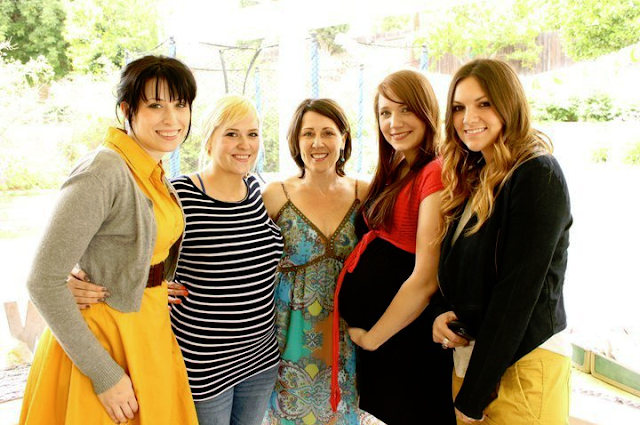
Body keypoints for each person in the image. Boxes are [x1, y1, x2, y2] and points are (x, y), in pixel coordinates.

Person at [68, 94, 284, 425]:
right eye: (231, 134)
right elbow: (115, 245)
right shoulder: (179, 194)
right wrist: (76, 276)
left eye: (252, 134)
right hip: (202, 364)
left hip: (260, 358)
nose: (245, 144)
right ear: (209, 139)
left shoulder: (260, 191)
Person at [20, 55, 199, 424]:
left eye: (180, 104)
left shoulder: (149, 168)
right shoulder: (103, 170)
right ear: (127, 110)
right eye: (155, 105)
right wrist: (105, 375)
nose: (172, 119)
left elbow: (127, 248)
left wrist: (146, 281)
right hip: (101, 346)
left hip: (146, 331)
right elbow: (42, 281)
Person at [432, 58, 572, 424]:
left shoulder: (538, 174)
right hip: (473, 362)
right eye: (458, 108)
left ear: (509, 105)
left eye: (484, 103)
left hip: (523, 365)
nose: (468, 118)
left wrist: (472, 396)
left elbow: (517, 295)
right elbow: (460, 274)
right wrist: (443, 314)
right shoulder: (476, 176)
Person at [333, 69, 455, 425]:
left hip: (405, 337)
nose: (393, 122)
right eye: (385, 113)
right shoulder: (399, 164)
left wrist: (373, 338)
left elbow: (425, 278)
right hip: (391, 339)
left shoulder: (434, 171)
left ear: (427, 111)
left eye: (405, 110)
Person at [260, 98, 371, 425]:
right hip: (287, 333)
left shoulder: (365, 192)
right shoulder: (275, 194)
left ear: (344, 138)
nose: (317, 142)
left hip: (346, 333)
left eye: (328, 133)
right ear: (296, 141)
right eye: (308, 133)